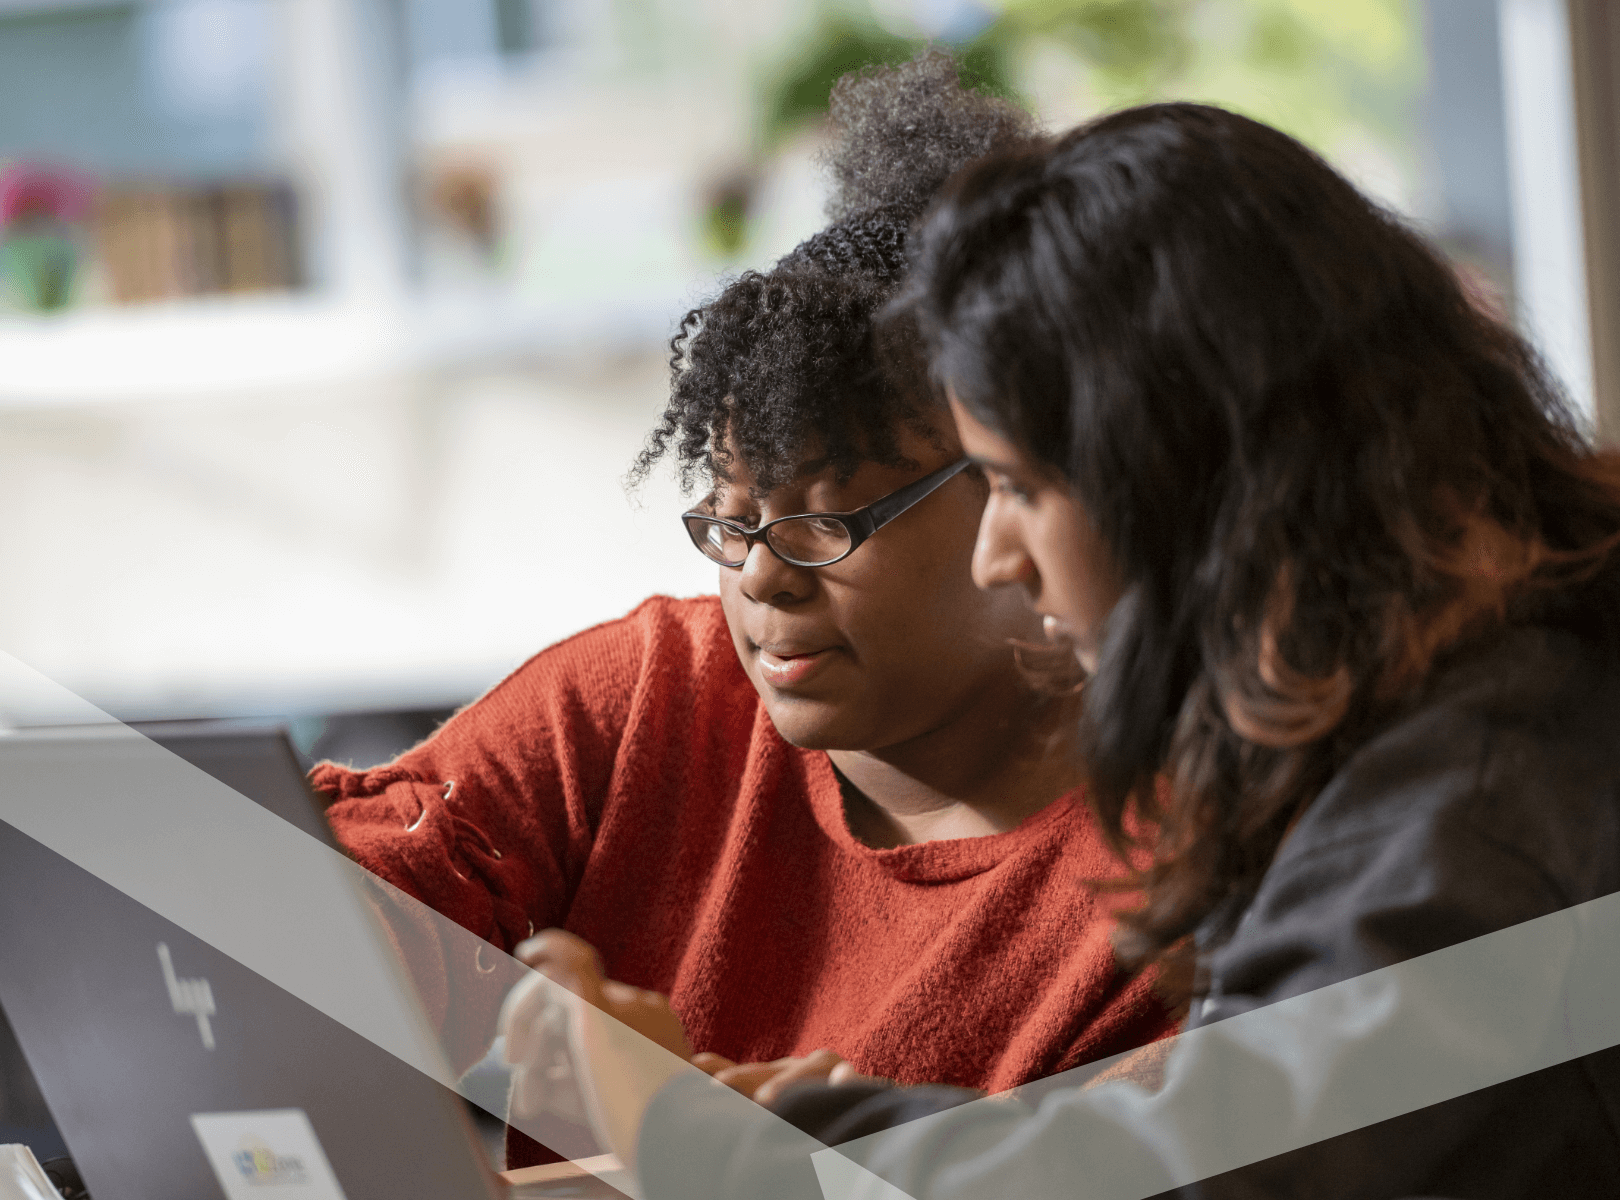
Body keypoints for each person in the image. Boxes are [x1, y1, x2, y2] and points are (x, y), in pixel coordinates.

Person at [520, 102, 1620, 1198]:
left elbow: (1221, 1175)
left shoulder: (1485, 796)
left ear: (1183, 475)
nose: (998, 556)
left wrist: (692, 1128)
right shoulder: (1463, 720)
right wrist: (812, 1128)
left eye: (1017, 487)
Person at [313, 55, 1174, 1170]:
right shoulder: (651, 697)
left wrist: (680, 1128)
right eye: (731, 520)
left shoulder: (1183, 865)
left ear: (1021, 491)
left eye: (829, 521)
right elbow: (349, 905)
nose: (763, 577)